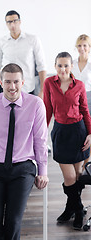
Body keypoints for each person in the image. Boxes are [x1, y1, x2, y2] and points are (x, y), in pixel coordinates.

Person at [0, 63, 49, 239]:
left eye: (16, 82)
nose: (12, 87)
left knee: (13, 220)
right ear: (0, 82)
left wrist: (42, 171)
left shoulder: (35, 104)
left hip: (23, 167)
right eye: (7, 82)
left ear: (23, 82)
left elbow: (40, 141)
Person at [43, 52, 91, 230]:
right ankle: (78, 210)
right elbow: (47, 110)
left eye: (66, 65)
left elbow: (85, 111)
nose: (63, 69)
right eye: (59, 65)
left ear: (71, 67)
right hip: (61, 132)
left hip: (78, 132)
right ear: (55, 66)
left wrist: (90, 134)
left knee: (77, 175)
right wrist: (41, 134)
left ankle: (70, 207)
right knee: (69, 176)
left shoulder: (79, 85)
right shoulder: (49, 83)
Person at [0, 10, 47, 98]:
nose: (12, 24)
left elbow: (41, 65)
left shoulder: (32, 39)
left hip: (28, 89)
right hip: (8, 90)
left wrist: (42, 90)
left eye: (15, 21)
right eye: (9, 22)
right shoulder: (1, 42)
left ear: (20, 21)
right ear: (6, 24)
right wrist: (0, 85)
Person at [72, 34, 91, 169]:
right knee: (79, 132)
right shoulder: (71, 63)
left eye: (85, 45)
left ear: (89, 47)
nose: (82, 48)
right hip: (75, 101)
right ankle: (79, 164)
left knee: (89, 133)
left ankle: (86, 166)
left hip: (89, 99)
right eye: (79, 45)